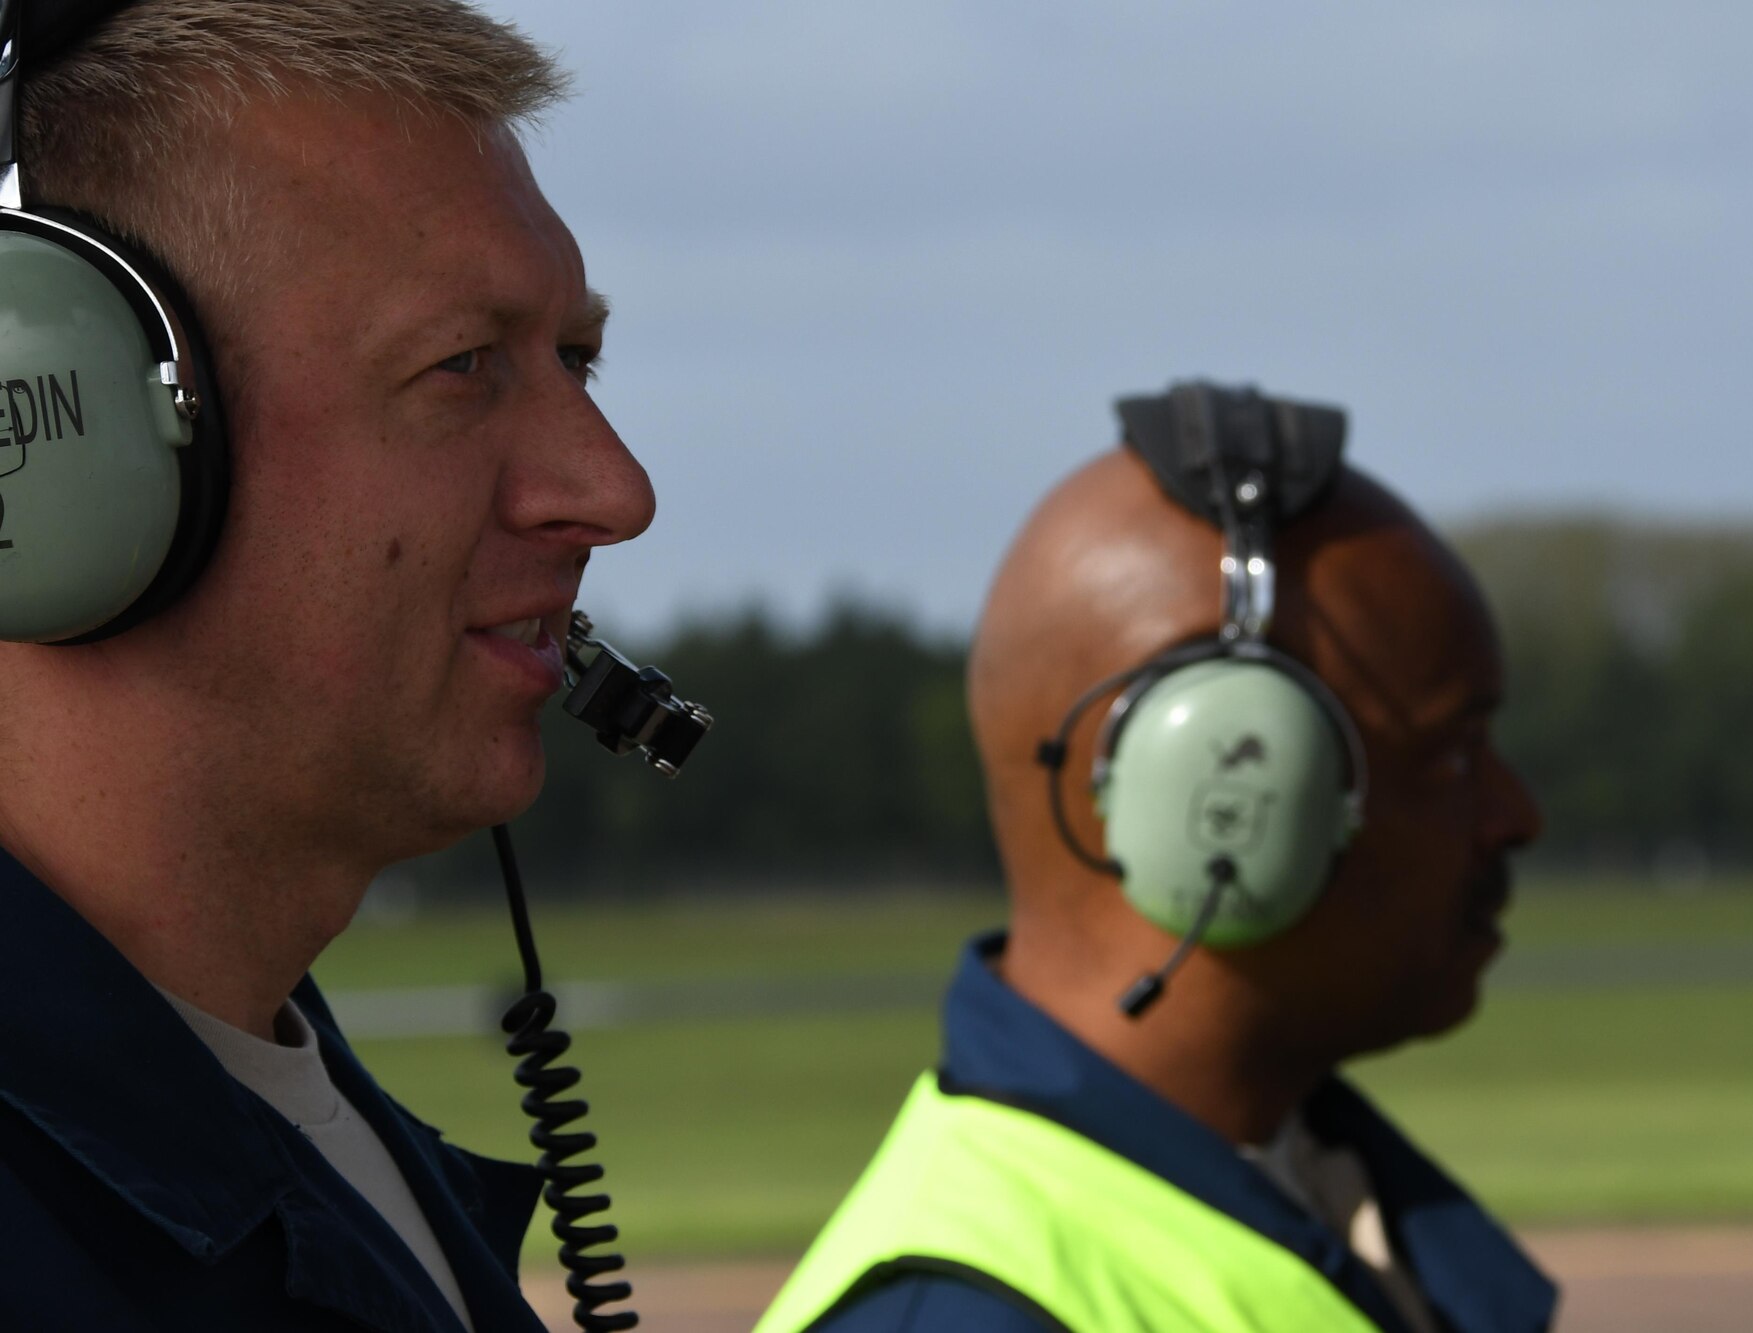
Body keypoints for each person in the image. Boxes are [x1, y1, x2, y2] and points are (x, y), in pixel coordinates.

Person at [0, 1, 655, 1328]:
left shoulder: (286, 1118)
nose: (614, 488)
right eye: (463, 364)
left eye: (576, 358)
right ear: (55, 441)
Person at [757, 383, 1559, 1333]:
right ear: (1214, 796)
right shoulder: (960, 1316)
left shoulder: (1327, 1196)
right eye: (1452, 751)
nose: (1516, 816)